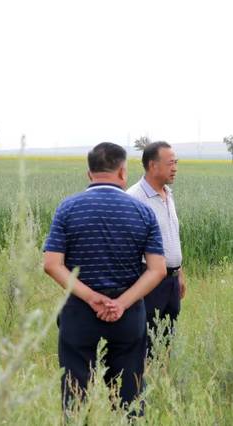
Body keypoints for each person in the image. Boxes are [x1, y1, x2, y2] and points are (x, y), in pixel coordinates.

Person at [43, 142, 166, 413]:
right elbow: (158, 269)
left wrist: (92, 298)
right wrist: (120, 303)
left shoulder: (68, 208)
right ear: (123, 172)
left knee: (75, 398)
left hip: (79, 314)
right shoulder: (143, 212)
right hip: (128, 317)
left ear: (89, 173)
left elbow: (52, 264)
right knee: (129, 400)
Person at [127, 141, 186, 354]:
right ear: (153, 166)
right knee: (147, 339)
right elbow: (129, 245)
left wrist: (179, 272)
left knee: (167, 340)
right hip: (148, 279)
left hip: (171, 281)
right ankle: (143, 383)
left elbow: (172, 236)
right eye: (170, 163)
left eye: (176, 163)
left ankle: (163, 382)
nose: (175, 168)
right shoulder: (134, 198)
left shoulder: (168, 194)